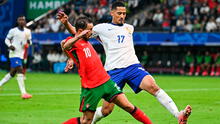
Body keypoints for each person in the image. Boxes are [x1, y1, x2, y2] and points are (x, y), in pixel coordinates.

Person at [57, 2, 192, 124]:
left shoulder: (129, 28)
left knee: (153, 86)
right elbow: (80, 34)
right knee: (106, 110)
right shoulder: (101, 28)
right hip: (113, 71)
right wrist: (66, 24)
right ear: (112, 13)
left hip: (132, 66)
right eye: (119, 13)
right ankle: (88, 122)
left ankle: (178, 115)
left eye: (124, 13)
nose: (122, 16)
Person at [59, 16, 152, 124]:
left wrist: (71, 57)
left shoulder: (85, 40)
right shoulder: (74, 41)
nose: (92, 32)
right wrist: (70, 57)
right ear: (81, 31)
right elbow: (64, 45)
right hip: (91, 87)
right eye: (89, 30)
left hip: (106, 82)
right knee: (86, 121)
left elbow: (72, 36)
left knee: (128, 106)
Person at [0, 15, 32, 99]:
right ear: (17, 21)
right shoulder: (13, 31)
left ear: (25, 21)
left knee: (12, 73)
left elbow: (30, 42)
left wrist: (29, 42)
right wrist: (10, 45)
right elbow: (6, 40)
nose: (21, 21)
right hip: (13, 53)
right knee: (20, 69)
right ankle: (24, 93)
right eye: (20, 20)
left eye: (23, 20)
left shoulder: (28, 32)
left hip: (21, 54)